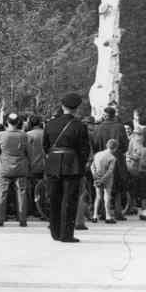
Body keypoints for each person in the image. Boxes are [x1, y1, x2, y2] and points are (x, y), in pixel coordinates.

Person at [42, 93, 91, 243]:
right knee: (69, 200)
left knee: (54, 198)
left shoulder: (50, 124)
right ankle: (66, 234)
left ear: (62, 106)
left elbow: (45, 146)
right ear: (76, 108)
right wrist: (81, 165)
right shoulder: (79, 126)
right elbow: (84, 149)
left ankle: (55, 232)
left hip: (53, 163)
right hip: (72, 164)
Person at [0, 114, 31, 227]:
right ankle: (22, 219)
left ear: (7, 122)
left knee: (2, 193)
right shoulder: (23, 135)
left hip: (4, 167)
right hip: (20, 167)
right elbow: (28, 151)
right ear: (18, 122)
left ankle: (0, 219)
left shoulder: (1, 135)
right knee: (22, 192)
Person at [90, 138, 120, 224]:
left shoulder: (98, 154)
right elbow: (110, 171)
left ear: (107, 145)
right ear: (115, 148)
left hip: (97, 176)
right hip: (107, 179)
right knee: (107, 196)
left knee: (98, 196)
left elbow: (92, 166)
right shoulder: (112, 158)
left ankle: (94, 216)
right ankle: (108, 216)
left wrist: (95, 176)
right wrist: (103, 179)